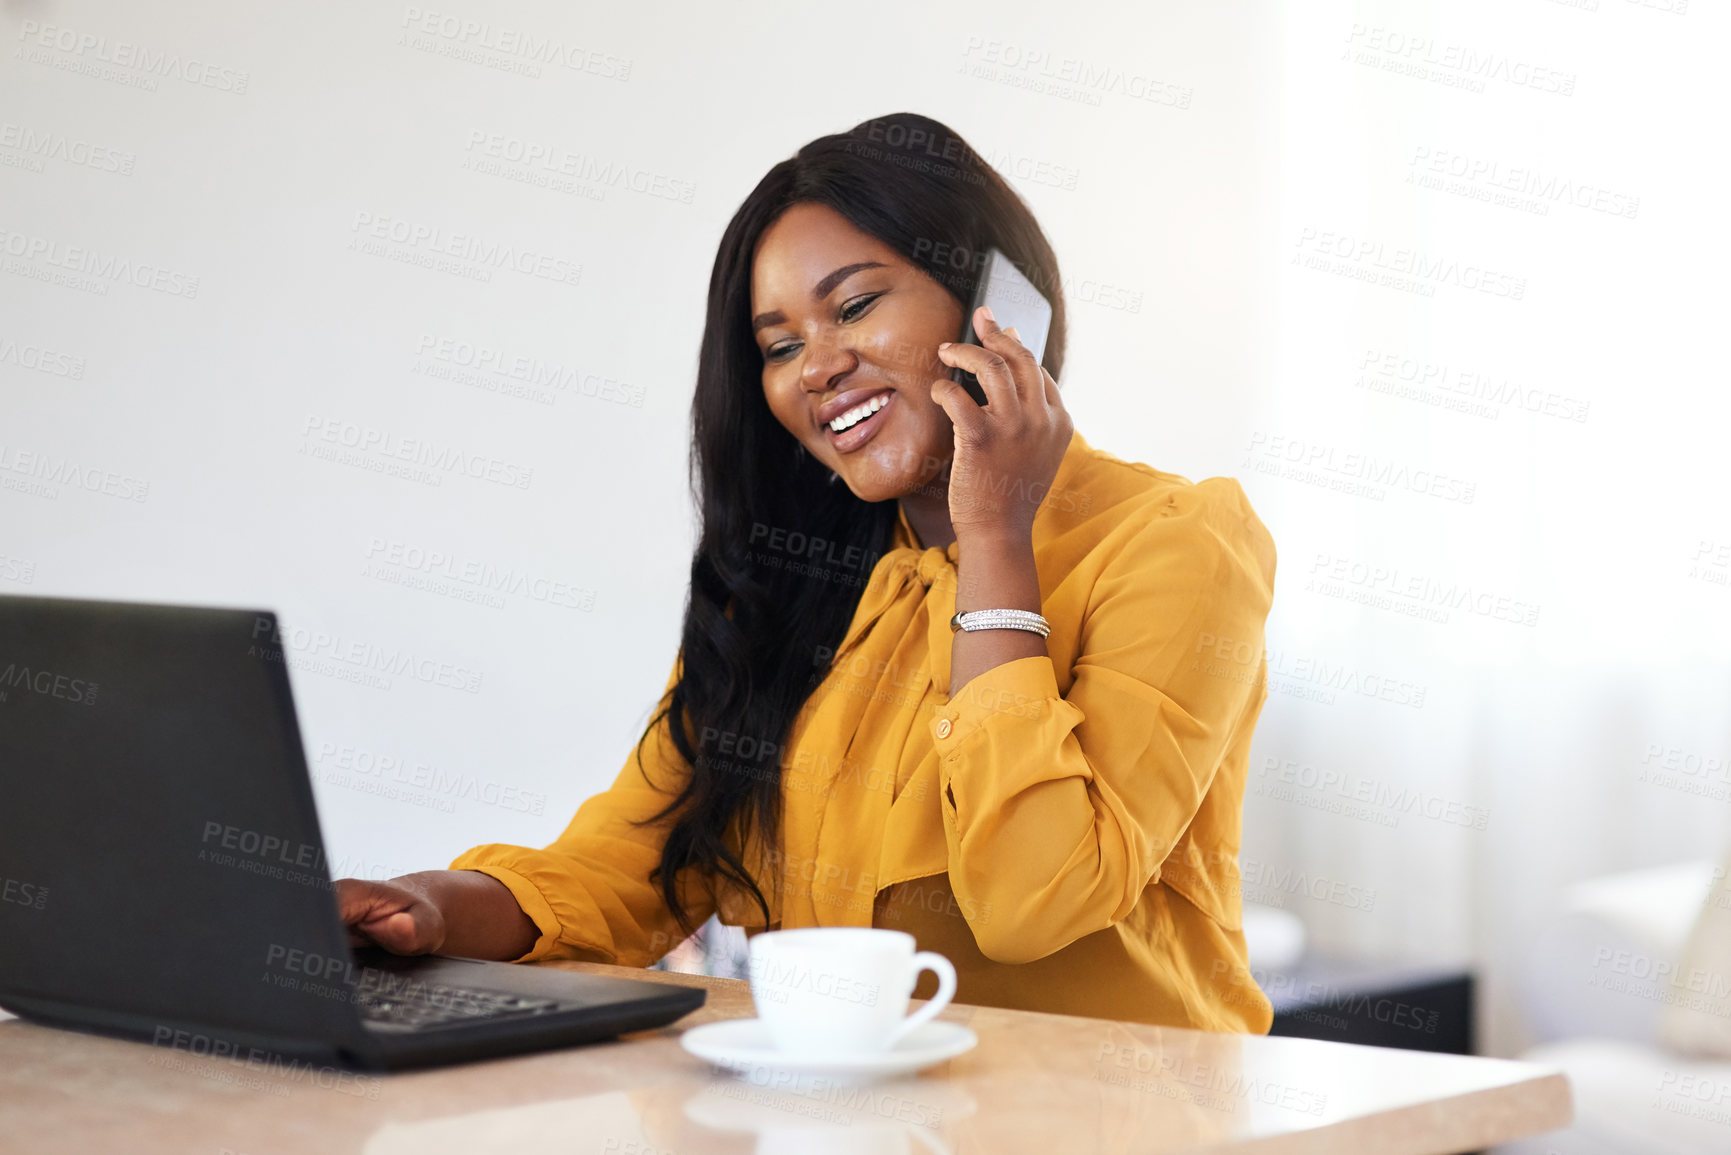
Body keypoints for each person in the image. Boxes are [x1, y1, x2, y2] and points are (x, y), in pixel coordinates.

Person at [336, 112, 1278, 1032]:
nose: (817, 366)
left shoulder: (1176, 542)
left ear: (997, 311)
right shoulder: (792, 580)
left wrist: (992, 534)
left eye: (856, 306)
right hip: (845, 1114)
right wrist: (432, 906)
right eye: (780, 346)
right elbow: (631, 861)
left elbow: (1036, 900)